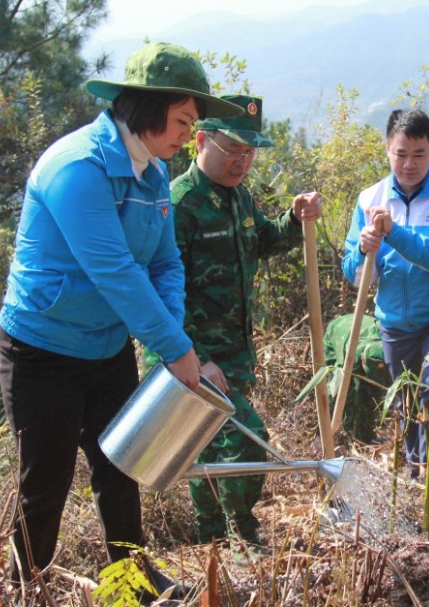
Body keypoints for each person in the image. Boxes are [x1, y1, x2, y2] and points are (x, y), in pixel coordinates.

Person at [0, 42, 243, 587]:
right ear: (145, 108)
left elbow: (164, 261)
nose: (186, 135)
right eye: (181, 121)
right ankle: (23, 588)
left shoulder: (152, 172)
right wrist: (178, 352)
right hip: (43, 349)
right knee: (46, 479)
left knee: (121, 467)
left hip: (105, 347)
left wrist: (169, 337)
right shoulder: (77, 167)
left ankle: (130, 584)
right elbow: (114, 271)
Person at [171, 94, 322, 555]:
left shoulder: (239, 198)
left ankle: (211, 537)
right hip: (194, 355)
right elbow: (162, 291)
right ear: (201, 140)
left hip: (234, 351)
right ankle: (240, 531)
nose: (242, 161)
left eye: (249, 152)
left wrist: (294, 220)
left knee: (211, 444)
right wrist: (198, 357)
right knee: (246, 439)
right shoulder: (181, 204)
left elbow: (265, 240)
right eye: (233, 149)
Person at [341, 108, 429, 479]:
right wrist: (364, 248)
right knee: (405, 399)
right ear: (387, 150)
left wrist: (395, 234)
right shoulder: (369, 198)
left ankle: (424, 471)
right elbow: (354, 276)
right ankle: (418, 462)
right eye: (401, 154)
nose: (409, 164)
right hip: (396, 321)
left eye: (419, 154)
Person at [322, 312, 392, 444]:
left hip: (362, 329)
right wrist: (324, 432)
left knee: (369, 394)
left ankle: (364, 438)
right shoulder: (349, 356)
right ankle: (347, 437)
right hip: (336, 334)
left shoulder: (387, 345)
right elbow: (336, 392)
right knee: (345, 395)